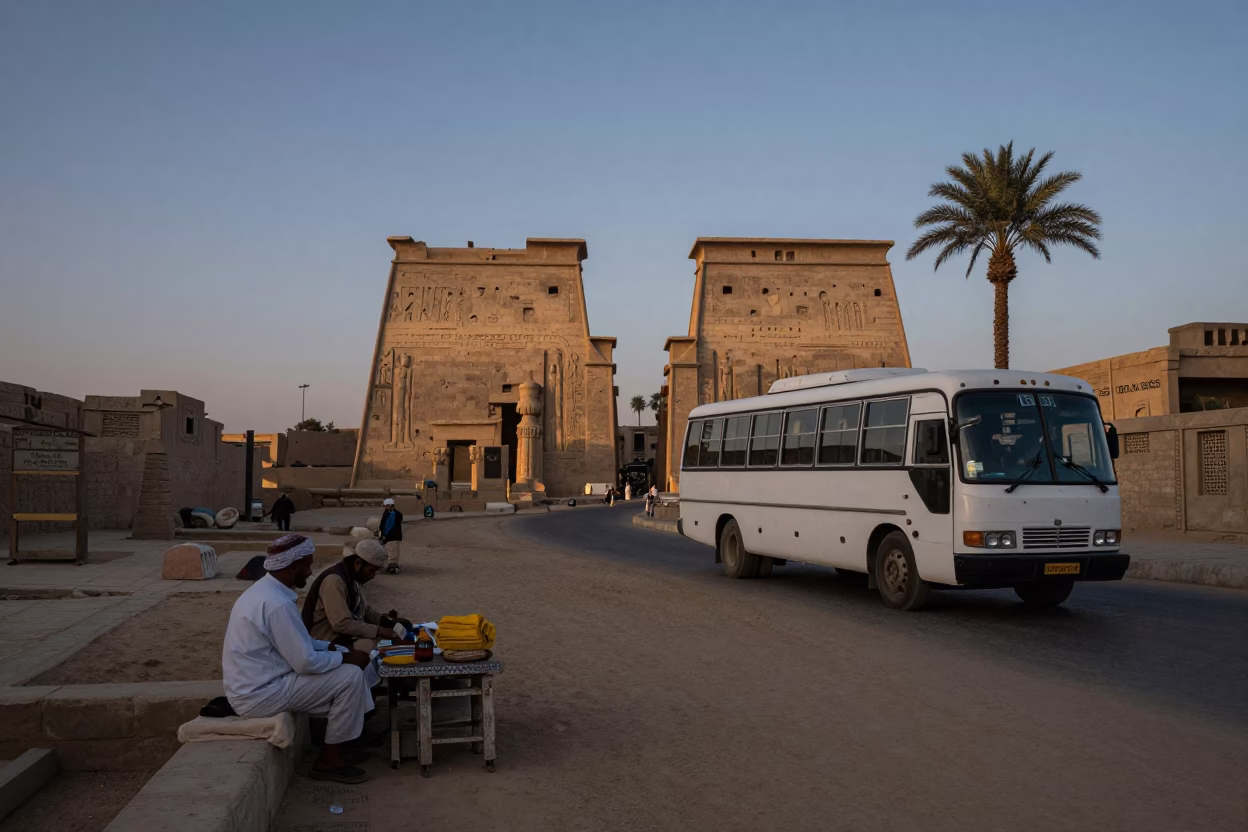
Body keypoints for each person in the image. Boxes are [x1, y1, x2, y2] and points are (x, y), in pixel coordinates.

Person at [222, 534, 375, 784]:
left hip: (264, 682)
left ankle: (347, 742)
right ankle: (328, 761)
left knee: (352, 669)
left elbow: (300, 641)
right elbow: (305, 662)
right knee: (350, 677)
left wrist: (334, 647)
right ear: (293, 569)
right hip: (259, 693)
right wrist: (345, 659)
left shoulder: (267, 591)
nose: (310, 570)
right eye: (307, 565)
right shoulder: (276, 604)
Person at [302, 539, 409, 652]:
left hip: (338, 636)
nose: (372, 576)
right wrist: (379, 631)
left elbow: (364, 610)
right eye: (371, 571)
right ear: (358, 563)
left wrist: (387, 622)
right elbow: (341, 624)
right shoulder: (334, 581)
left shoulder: (350, 578)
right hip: (323, 641)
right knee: (369, 646)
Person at [379, 498, 403, 574]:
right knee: (386, 550)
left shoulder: (397, 514)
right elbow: (383, 524)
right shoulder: (386, 513)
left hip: (394, 536)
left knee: (393, 551)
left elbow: (394, 526)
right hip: (386, 535)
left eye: (386, 506)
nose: (385, 507)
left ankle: (393, 566)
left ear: (391, 506)